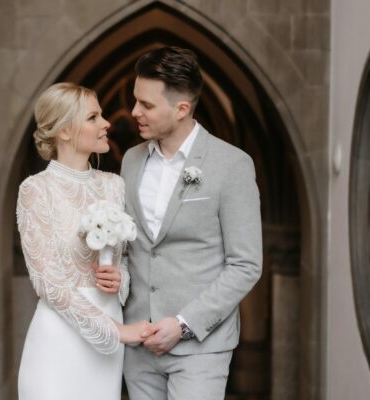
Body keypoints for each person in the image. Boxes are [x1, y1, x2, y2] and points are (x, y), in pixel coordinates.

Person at [120, 46, 263, 400]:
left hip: (200, 347)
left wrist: (183, 325)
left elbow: (245, 265)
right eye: (135, 100)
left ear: (181, 109)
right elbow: (130, 248)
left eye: (146, 105)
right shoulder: (131, 161)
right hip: (138, 345)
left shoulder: (232, 165)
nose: (135, 112)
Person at [16, 82, 153, 400]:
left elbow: (127, 259)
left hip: (106, 349)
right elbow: (47, 283)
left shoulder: (115, 186)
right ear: (64, 131)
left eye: (102, 115)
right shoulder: (36, 190)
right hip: (58, 340)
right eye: (93, 117)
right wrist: (116, 331)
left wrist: (120, 279)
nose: (106, 124)